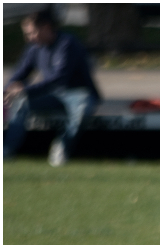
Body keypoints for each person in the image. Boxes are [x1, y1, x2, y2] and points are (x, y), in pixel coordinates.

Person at [3, 10, 101, 166]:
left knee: (81, 111)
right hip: (53, 95)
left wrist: (24, 90)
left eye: (32, 32)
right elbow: (20, 73)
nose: (29, 38)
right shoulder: (34, 48)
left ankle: (61, 148)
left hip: (79, 93)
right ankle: (6, 151)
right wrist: (7, 91)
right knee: (20, 102)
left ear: (46, 28)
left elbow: (59, 79)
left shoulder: (68, 44)